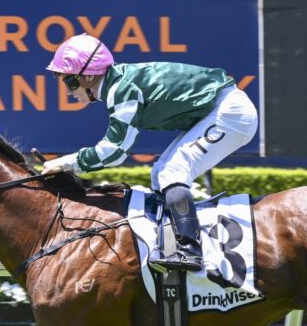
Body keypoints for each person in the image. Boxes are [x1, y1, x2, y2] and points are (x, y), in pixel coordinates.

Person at [41, 33, 259, 273]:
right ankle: (170, 247)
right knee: (160, 173)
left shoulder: (122, 89)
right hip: (221, 109)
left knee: (172, 172)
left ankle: (190, 250)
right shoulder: (119, 84)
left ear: (89, 76)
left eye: (70, 82)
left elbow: (114, 152)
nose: (68, 91)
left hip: (230, 114)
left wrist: (66, 163)